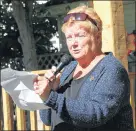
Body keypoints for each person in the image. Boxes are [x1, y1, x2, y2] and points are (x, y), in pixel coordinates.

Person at [34, 6, 134, 131]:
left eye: (80, 36)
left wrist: (51, 97)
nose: (73, 43)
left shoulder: (111, 69)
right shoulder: (69, 69)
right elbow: (48, 120)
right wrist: (50, 92)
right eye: (69, 37)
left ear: (97, 37)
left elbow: (96, 114)